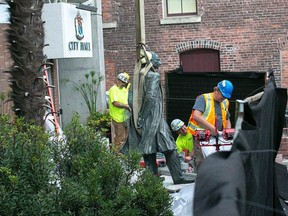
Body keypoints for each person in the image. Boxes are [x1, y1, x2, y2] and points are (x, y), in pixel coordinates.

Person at [122, 47, 193, 184]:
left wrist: (138, 117)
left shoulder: (136, 78)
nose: (159, 61)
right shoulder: (153, 76)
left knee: (148, 149)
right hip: (154, 120)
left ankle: (152, 179)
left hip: (140, 121)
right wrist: (143, 116)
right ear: (150, 62)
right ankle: (178, 178)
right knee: (170, 148)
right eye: (157, 58)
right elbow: (150, 97)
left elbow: (130, 100)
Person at [187, 80, 234, 171]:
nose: (223, 99)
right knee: (201, 162)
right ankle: (202, 182)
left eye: (225, 97)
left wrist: (227, 132)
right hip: (202, 137)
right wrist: (211, 127)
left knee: (219, 161)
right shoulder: (203, 98)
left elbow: (227, 118)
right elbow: (196, 116)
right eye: (222, 96)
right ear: (216, 90)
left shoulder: (225, 102)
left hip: (218, 137)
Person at [108, 72, 131, 153]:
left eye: (124, 83)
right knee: (120, 137)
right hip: (117, 118)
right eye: (122, 82)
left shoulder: (124, 89)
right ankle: (117, 154)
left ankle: (123, 153)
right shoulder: (113, 89)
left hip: (125, 117)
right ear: (118, 80)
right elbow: (115, 103)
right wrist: (126, 106)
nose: (123, 84)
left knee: (126, 137)